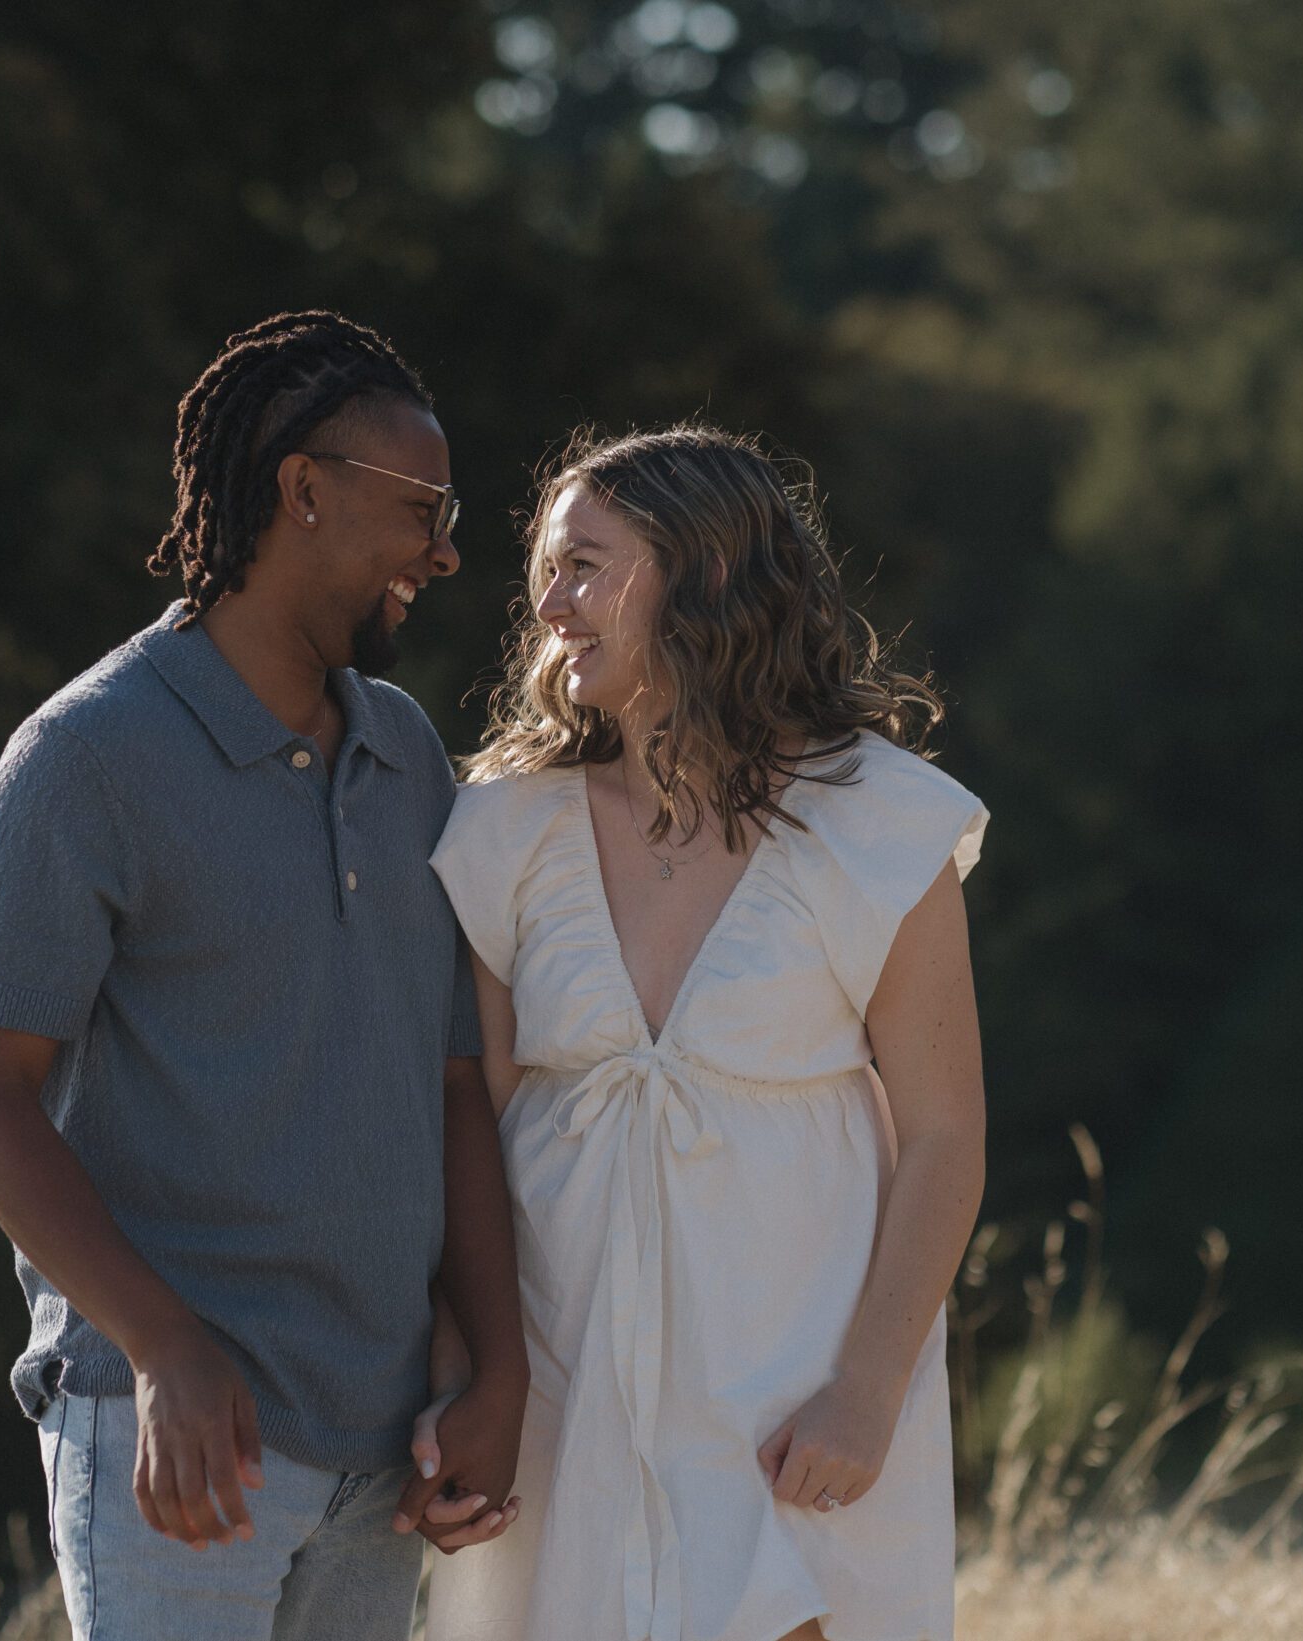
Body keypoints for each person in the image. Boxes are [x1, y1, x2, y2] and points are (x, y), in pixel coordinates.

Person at [0, 311, 527, 1641]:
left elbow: (454, 1090)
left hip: (386, 1445)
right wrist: (163, 1347)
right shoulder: (87, 758)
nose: (445, 549)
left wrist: (499, 1366)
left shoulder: (409, 753)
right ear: (303, 492)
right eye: (421, 507)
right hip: (184, 1438)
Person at [425, 424, 988, 1641]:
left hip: (790, 1397)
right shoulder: (502, 831)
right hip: (563, 1391)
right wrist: (456, 1374)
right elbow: (466, 1127)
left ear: (701, 573)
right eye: (548, 569)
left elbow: (945, 1135)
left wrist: (868, 1390)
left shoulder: (878, 825)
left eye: (585, 565)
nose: (548, 602)